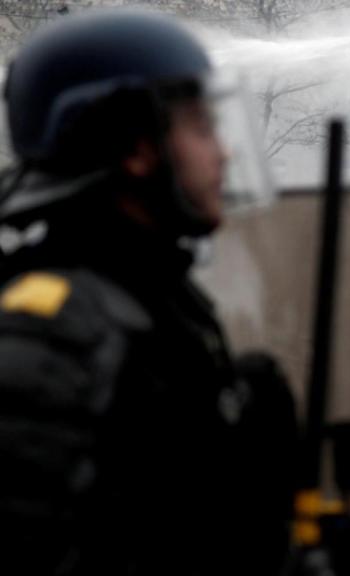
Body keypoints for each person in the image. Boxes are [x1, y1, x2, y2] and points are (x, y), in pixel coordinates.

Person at [0, 10, 295, 575]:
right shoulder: (50, 334)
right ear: (137, 148)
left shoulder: (152, 299)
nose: (224, 153)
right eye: (202, 128)